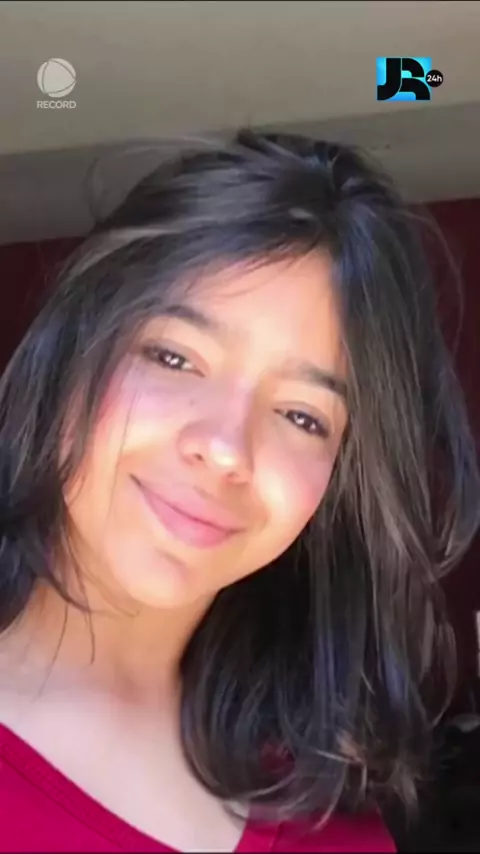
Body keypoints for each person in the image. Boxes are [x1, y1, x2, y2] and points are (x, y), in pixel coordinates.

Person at [0, 129, 478, 854]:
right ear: (70, 355)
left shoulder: (334, 834)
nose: (226, 448)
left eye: (302, 416)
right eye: (174, 357)